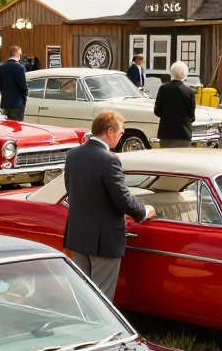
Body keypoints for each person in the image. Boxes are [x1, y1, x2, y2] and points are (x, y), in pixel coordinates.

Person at [62, 110, 155, 300]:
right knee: (102, 297)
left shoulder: (73, 154)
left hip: (78, 234)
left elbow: (71, 189)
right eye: (121, 132)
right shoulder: (109, 159)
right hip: (104, 239)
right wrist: (145, 211)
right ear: (110, 131)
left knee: (83, 294)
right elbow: (122, 199)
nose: (121, 137)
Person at [154, 61, 197, 147]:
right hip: (183, 134)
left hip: (166, 133)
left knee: (165, 159)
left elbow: (157, 111)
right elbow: (192, 116)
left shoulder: (163, 89)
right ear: (185, 74)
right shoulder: (190, 92)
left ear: (171, 73)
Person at [0, 44, 28, 120]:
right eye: (20, 54)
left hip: (5, 102)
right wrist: (24, 100)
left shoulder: (2, 67)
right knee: (17, 127)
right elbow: (23, 86)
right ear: (17, 54)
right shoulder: (20, 67)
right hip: (17, 103)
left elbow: (0, 86)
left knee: (7, 127)